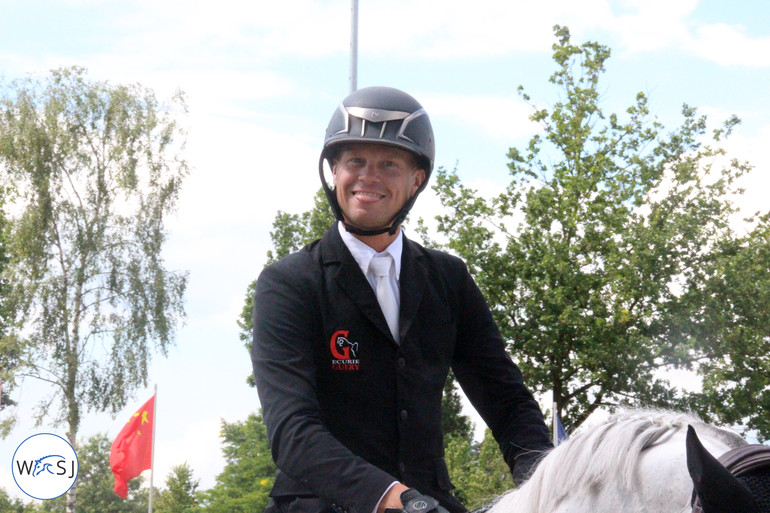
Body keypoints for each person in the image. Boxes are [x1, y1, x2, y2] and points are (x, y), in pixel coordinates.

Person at [252, 86, 552, 513]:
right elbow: (292, 432)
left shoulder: (448, 279)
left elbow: (506, 401)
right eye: (355, 160)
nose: (368, 177)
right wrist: (392, 498)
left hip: (430, 502)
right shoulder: (289, 283)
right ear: (334, 170)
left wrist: (547, 482)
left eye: (389, 164)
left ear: (417, 179)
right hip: (323, 504)